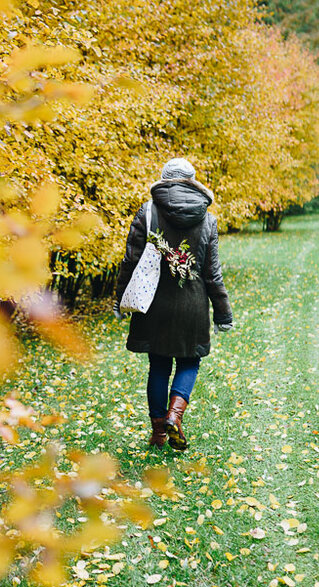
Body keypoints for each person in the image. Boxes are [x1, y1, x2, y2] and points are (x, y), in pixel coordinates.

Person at [114, 158, 233, 451]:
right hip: (192, 305)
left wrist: (119, 301)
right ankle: (174, 416)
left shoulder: (148, 211)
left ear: (164, 179)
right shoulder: (208, 219)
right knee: (190, 361)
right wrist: (223, 314)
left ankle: (158, 434)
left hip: (153, 303)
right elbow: (212, 273)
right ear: (192, 181)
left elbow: (130, 262)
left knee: (158, 364)